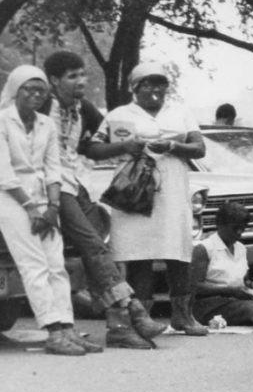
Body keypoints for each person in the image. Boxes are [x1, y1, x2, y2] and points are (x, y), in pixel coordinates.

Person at [42, 50, 163, 348]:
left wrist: (126, 144)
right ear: (54, 81)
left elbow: (92, 148)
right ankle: (130, 310)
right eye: (72, 76)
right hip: (50, 187)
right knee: (95, 248)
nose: (81, 81)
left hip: (75, 183)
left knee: (97, 249)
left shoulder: (83, 109)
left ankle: (120, 325)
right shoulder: (43, 105)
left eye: (82, 74)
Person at [102, 59, 210, 335]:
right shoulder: (119, 115)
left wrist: (173, 145)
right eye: (148, 84)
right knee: (140, 253)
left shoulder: (180, 112)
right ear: (135, 88)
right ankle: (143, 318)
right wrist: (127, 145)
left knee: (178, 250)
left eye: (160, 84)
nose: (155, 90)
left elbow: (199, 148)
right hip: (135, 191)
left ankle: (183, 316)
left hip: (172, 189)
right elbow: (95, 146)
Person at [0, 65, 86, 354]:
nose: (36, 95)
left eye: (41, 90)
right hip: (9, 196)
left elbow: (53, 167)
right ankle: (52, 331)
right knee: (33, 264)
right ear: (15, 90)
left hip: (44, 196)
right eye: (29, 89)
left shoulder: (46, 123)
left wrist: (52, 206)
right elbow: (3, 173)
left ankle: (68, 328)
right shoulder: (2, 120)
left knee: (55, 264)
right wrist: (30, 208)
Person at [189, 199, 253, 333]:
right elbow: (195, 286)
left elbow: (242, 281)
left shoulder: (240, 248)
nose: (239, 233)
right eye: (235, 228)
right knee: (251, 309)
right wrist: (228, 290)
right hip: (209, 304)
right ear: (220, 225)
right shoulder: (204, 248)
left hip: (235, 299)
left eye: (243, 228)